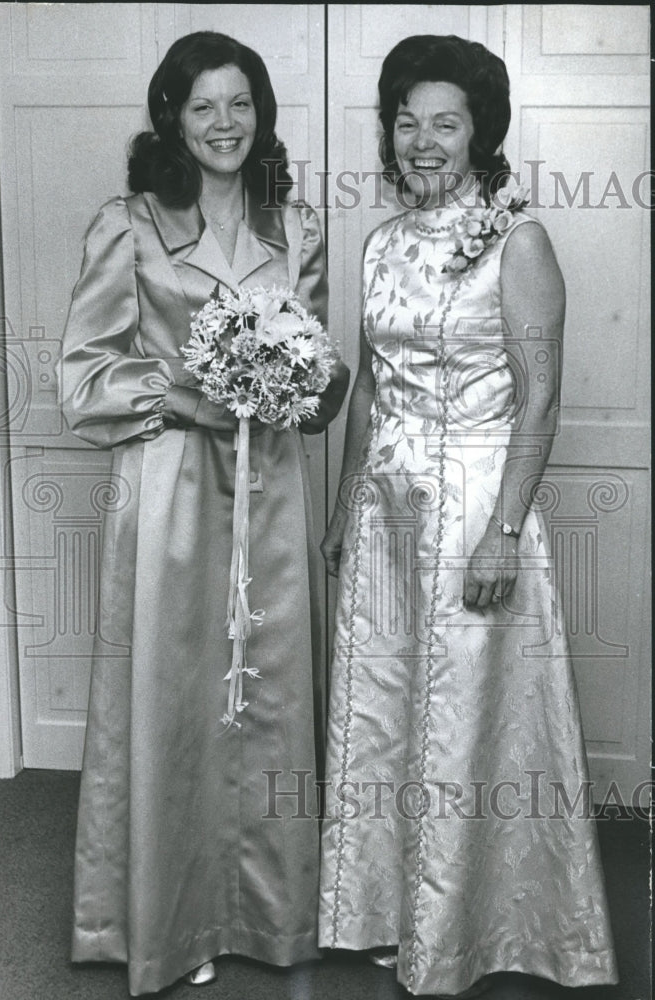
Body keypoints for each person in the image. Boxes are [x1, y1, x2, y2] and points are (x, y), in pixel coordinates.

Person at [318, 34, 618, 999]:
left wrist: (502, 531)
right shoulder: (382, 243)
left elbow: (541, 400)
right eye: (406, 122)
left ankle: (471, 930)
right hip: (386, 510)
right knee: (389, 711)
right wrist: (341, 508)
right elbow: (367, 385)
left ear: (481, 130)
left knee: (467, 723)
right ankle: (381, 911)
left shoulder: (518, 240)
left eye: (444, 122)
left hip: (476, 507)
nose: (422, 140)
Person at [59, 30, 348, 996]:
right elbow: (84, 380)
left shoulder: (297, 227)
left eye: (241, 104)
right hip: (173, 493)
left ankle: (273, 917)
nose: (224, 124)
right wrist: (190, 394)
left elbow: (317, 363)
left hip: (271, 495)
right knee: (178, 703)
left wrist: (312, 382)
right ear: (172, 118)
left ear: (260, 114)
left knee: (271, 698)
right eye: (202, 106)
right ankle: (171, 925)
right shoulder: (130, 223)